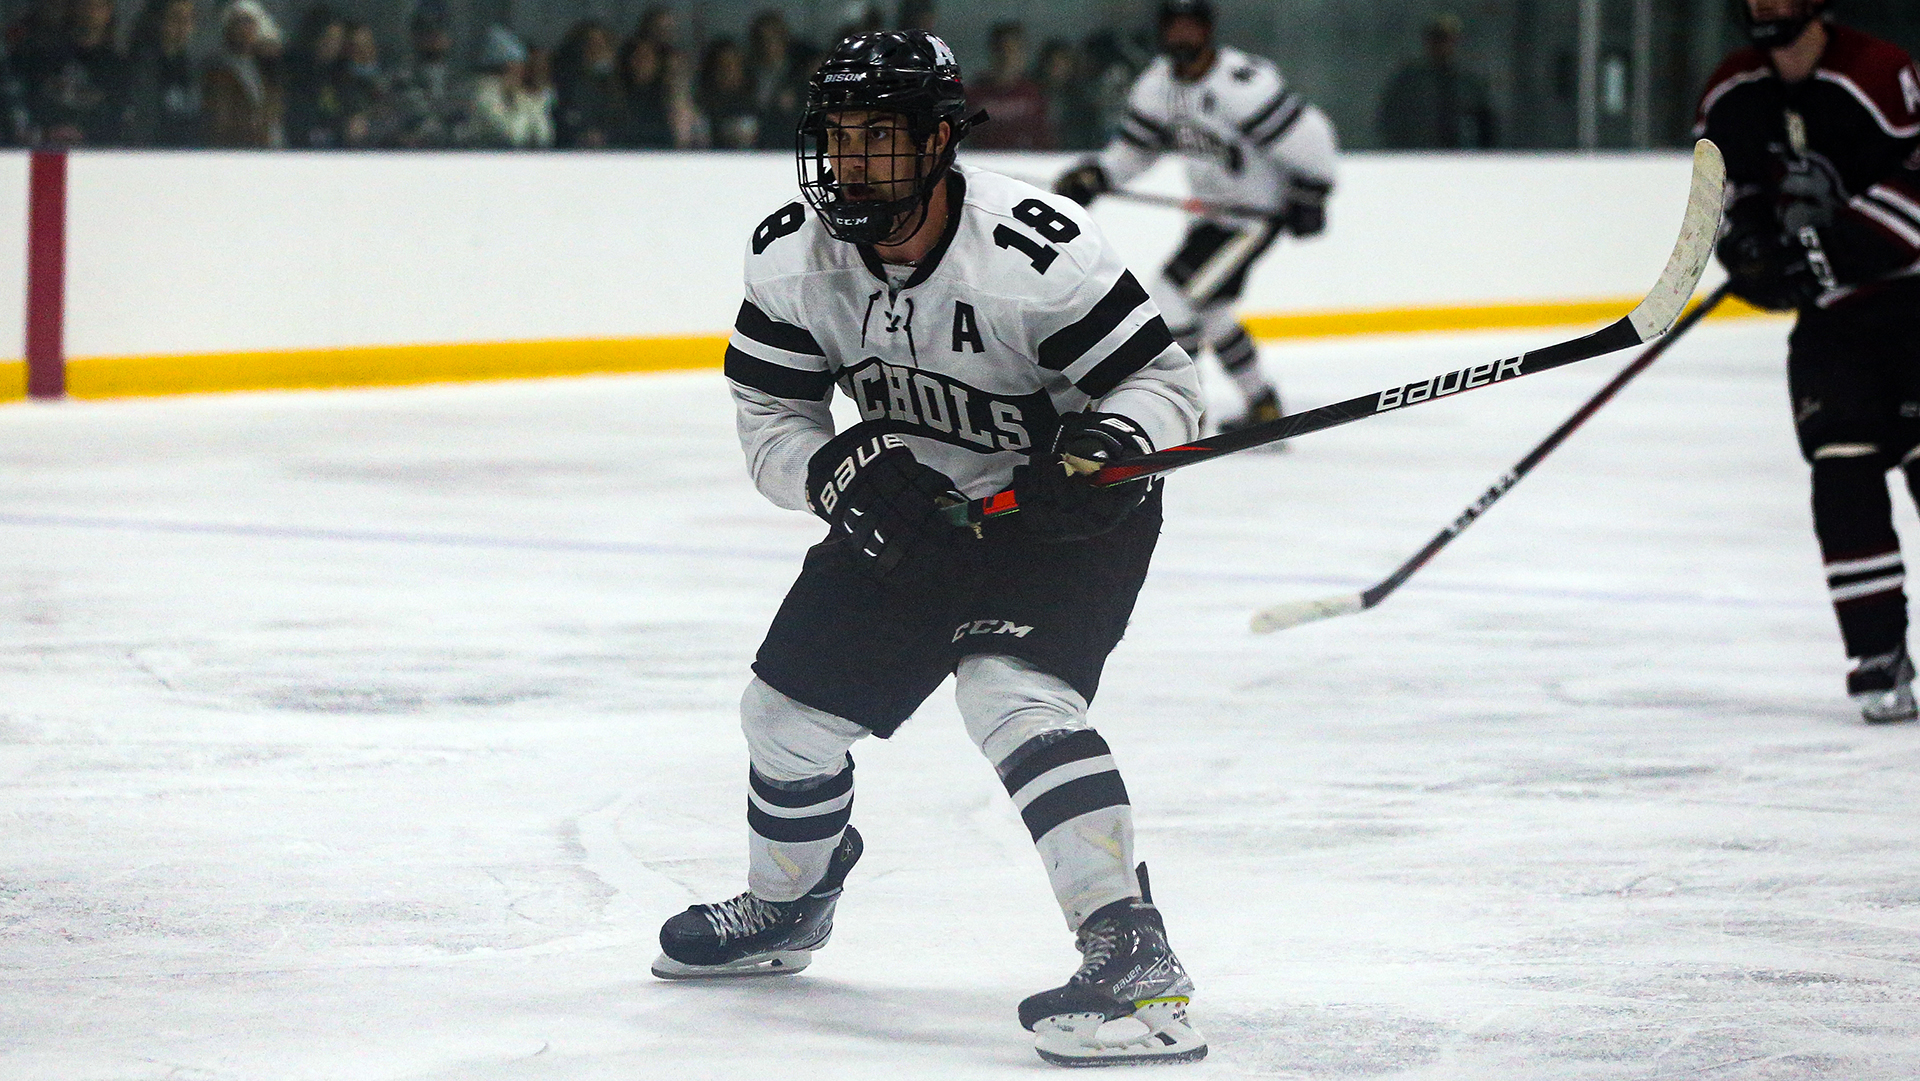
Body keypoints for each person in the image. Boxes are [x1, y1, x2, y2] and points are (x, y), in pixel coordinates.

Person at [653, 28, 1209, 1068]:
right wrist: (839, 475)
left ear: (941, 139)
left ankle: (1133, 958)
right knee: (784, 716)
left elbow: (1164, 385)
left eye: (880, 137)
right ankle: (787, 908)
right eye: (838, 137)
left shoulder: (1035, 256)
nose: (853, 162)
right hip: (914, 511)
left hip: (1066, 517)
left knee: (1009, 693)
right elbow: (770, 422)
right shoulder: (791, 257)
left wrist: (1109, 444)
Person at [1695, 0, 1920, 723]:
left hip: (1912, 309)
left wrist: (1825, 252)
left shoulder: (1880, 73)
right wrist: (1752, 255)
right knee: (1842, 477)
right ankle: (1878, 654)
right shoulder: (1730, 93)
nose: (1766, 3)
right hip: (1833, 327)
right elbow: (1725, 202)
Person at [1054, 0, 1337, 434]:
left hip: (1252, 219)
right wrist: (1100, 174)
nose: (1182, 35)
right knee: (1211, 311)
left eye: (1191, 26)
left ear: (1207, 30)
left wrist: (1312, 189)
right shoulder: (1156, 85)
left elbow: (1310, 135)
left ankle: (1186, 412)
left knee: (1171, 301)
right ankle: (1262, 405)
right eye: (1174, 26)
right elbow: (1136, 149)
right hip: (1213, 219)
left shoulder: (1241, 84)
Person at [1374, 14, 1497, 150]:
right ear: (1428, 42)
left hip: (1461, 162)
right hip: (1416, 160)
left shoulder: (1469, 84)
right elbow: (1390, 122)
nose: (1442, 45)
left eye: (1447, 39)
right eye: (1437, 39)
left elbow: (1486, 128)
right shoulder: (1408, 82)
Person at [18, 0, 128, 146]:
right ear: (73, 7)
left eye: (97, 6)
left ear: (109, 10)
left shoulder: (118, 67)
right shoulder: (42, 58)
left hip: (98, 157)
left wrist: (88, 135)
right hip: (44, 152)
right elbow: (26, 107)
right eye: (85, 4)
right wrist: (46, 132)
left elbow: (119, 121)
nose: (90, 12)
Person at [202, 0, 281, 147]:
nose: (245, 29)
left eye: (249, 22)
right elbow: (221, 123)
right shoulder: (217, 71)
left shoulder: (264, 66)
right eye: (239, 22)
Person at [386, 3, 466, 148]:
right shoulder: (402, 78)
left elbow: (466, 122)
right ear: (415, 35)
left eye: (441, 29)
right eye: (427, 30)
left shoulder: (460, 79)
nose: (435, 36)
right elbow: (412, 119)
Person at [124, 0, 201, 147]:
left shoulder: (193, 68)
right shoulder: (139, 67)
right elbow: (142, 122)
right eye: (176, 17)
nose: (183, 26)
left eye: (189, 18)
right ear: (159, 21)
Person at [967, 21, 1051, 150]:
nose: (1007, 58)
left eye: (1013, 51)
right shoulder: (974, 95)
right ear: (992, 53)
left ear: (1022, 55)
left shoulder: (1033, 94)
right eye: (1001, 51)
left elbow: (1044, 140)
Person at [464, 26, 552, 149]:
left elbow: (544, 136)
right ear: (505, 68)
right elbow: (515, 135)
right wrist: (521, 101)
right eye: (517, 68)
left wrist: (537, 100)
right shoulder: (484, 94)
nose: (521, 74)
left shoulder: (516, 94)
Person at [554, 19, 625, 148]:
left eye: (601, 45)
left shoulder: (621, 84)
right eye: (590, 45)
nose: (596, 51)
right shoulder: (565, 85)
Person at [283, 6, 346, 148]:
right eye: (329, 38)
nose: (333, 45)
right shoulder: (295, 74)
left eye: (338, 39)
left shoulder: (340, 74)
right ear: (315, 37)